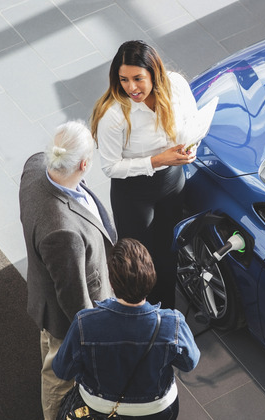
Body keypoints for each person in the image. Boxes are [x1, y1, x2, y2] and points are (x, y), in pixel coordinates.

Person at [19, 120, 118, 420]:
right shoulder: (62, 231)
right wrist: (92, 336)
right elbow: (73, 297)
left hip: (43, 290)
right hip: (64, 315)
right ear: (85, 164)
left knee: (49, 348)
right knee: (59, 375)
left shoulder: (35, 166)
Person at [53, 238, 200, 420]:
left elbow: (63, 369)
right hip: (155, 409)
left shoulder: (85, 323)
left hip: (98, 408)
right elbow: (189, 362)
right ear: (151, 276)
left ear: (112, 283)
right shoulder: (172, 323)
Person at [91, 40, 199, 309]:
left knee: (167, 253)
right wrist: (158, 159)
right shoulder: (114, 115)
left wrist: (192, 145)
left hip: (172, 181)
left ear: (154, 73)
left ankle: (169, 312)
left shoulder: (176, 87)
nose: (131, 87)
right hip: (133, 193)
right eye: (124, 79)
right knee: (139, 263)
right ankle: (142, 314)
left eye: (138, 78)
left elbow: (192, 121)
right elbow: (110, 167)